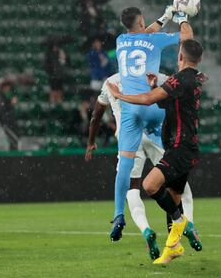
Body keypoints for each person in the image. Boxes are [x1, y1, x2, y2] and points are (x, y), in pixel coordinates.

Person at [107, 38, 205, 264]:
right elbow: (167, 103)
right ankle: (173, 247)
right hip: (187, 147)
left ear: (180, 57)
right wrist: (154, 86)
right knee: (175, 195)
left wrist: (120, 96)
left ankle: (181, 222)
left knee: (150, 185)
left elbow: (148, 100)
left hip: (180, 148)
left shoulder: (179, 80)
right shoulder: (194, 79)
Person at [85, 73, 201, 260]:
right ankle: (188, 226)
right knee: (176, 181)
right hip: (154, 132)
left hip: (129, 138)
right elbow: (174, 96)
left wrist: (91, 141)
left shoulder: (111, 81)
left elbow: (96, 114)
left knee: (133, 188)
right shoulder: (154, 73)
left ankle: (146, 230)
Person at [109, 5, 192, 242]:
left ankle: (118, 215)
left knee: (124, 166)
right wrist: (181, 18)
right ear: (142, 20)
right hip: (154, 106)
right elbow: (187, 39)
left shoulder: (120, 40)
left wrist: (164, 18)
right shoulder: (154, 40)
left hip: (131, 109)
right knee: (171, 155)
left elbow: (141, 34)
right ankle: (177, 213)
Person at [0, 81, 19, 150]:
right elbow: (1, 109)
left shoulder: (4, 96)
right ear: (3, 87)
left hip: (9, 120)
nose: (8, 89)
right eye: (7, 87)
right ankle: (11, 154)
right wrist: (10, 103)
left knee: (13, 139)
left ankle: (13, 153)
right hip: (5, 121)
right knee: (11, 139)